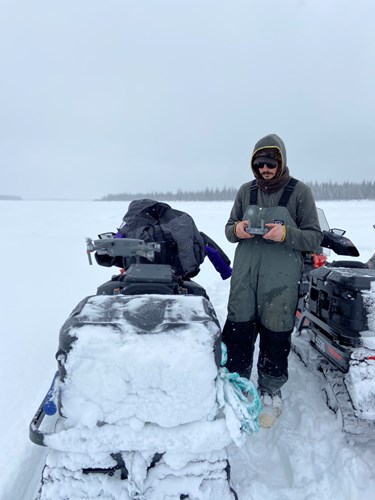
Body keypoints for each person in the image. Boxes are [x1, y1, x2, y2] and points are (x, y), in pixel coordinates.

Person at [222, 133, 322, 427]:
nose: (265, 169)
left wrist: (286, 234)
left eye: (270, 163)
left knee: (275, 335)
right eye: (259, 164)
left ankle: (271, 390)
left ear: (281, 162)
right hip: (245, 276)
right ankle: (237, 384)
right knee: (238, 329)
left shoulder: (299, 192)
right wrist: (237, 229)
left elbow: (315, 237)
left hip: (280, 281)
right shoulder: (245, 191)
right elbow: (228, 230)